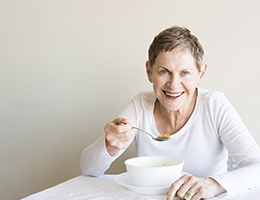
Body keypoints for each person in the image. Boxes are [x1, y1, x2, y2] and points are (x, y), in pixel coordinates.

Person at [80, 25, 260, 200]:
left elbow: (257, 166)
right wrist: (110, 144)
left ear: (201, 74)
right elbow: (88, 169)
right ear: (149, 71)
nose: (173, 85)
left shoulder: (215, 106)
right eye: (164, 71)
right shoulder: (140, 105)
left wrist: (212, 184)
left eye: (185, 73)